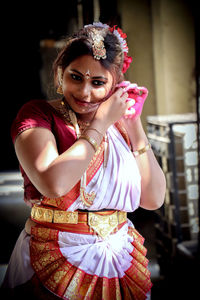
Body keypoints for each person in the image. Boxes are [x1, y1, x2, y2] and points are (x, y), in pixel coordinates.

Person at [2, 22, 166, 299]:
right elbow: (54, 184)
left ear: (115, 83)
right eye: (75, 77)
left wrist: (133, 122)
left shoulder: (121, 126)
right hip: (54, 251)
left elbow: (153, 199)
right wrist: (101, 123)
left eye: (98, 82)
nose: (85, 92)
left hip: (118, 254)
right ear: (59, 74)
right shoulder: (37, 114)